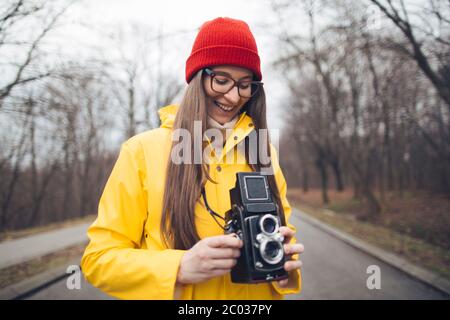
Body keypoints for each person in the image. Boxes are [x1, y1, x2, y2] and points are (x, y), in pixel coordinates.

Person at [81, 17, 304, 300]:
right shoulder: (141, 151)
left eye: (245, 84)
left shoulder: (263, 152)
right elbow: (99, 259)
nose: (233, 96)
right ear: (198, 78)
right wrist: (177, 267)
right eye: (221, 80)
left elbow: (283, 234)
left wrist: (284, 269)